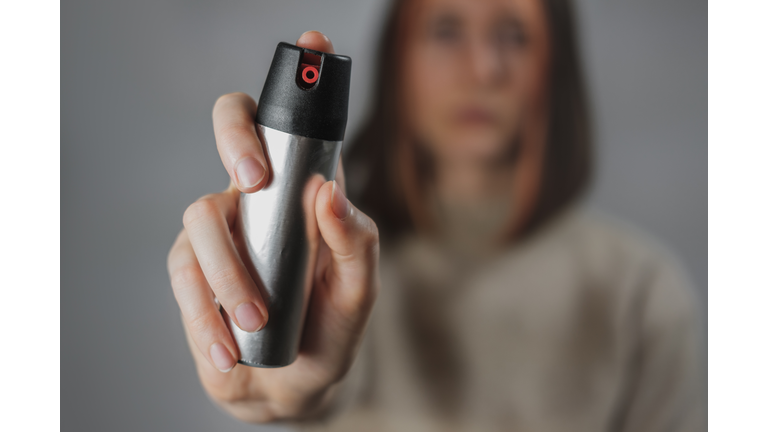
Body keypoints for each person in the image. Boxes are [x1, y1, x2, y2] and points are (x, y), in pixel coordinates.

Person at [166, 0, 705, 430]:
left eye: (514, 34)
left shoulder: (640, 290)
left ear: (554, 65)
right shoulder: (333, 267)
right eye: (447, 30)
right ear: (398, 57)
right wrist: (289, 387)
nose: (483, 69)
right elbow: (311, 390)